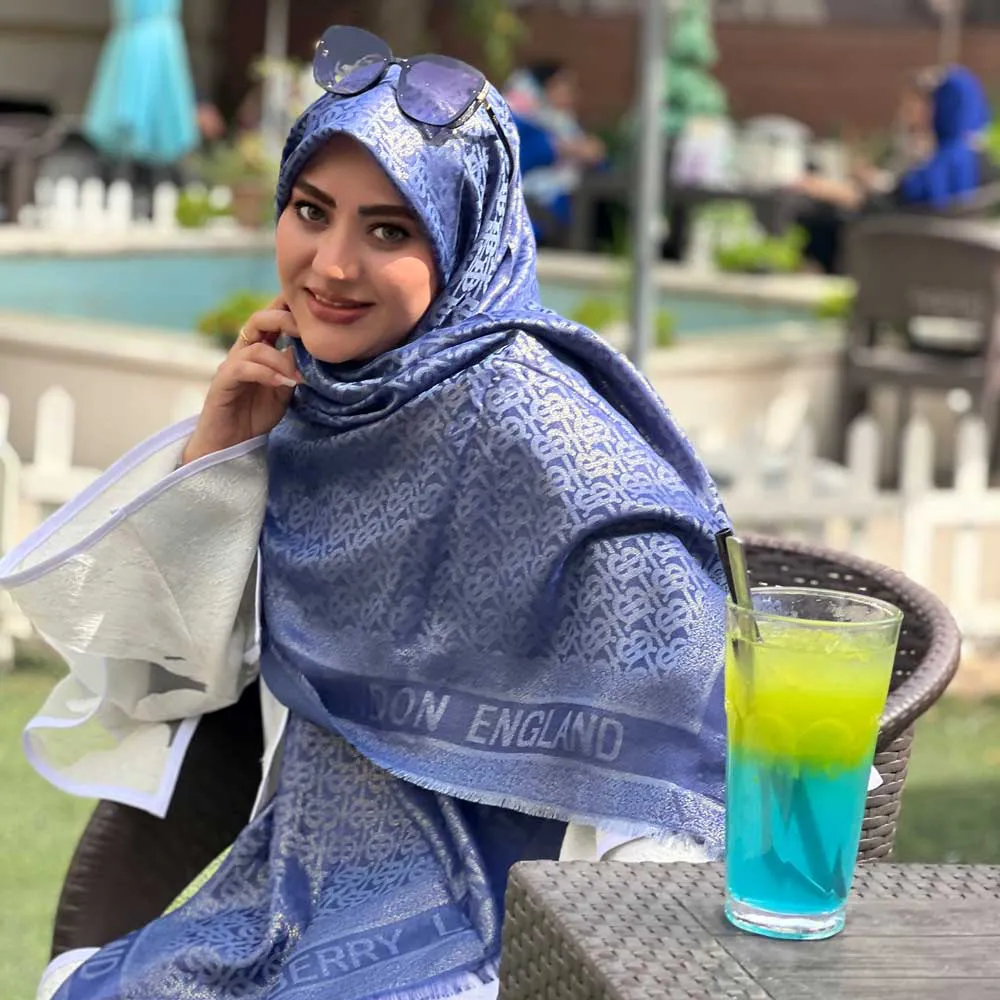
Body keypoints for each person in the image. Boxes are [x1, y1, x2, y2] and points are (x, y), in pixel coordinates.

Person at [4, 24, 729, 1000]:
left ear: (466, 238)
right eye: (311, 211)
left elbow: (672, 746)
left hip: (505, 935)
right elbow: (161, 681)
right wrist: (217, 460)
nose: (332, 265)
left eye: (389, 230)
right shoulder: (316, 409)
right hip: (281, 897)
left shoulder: (549, 436)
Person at [791, 65, 994, 274]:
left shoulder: (943, 164)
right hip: (946, 259)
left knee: (818, 220)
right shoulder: (980, 163)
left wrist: (838, 192)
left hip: (898, 249)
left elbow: (894, 205)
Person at [504, 62, 607, 244]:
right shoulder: (522, 119)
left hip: (569, 204)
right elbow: (522, 158)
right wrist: (563, 149)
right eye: (564, 86)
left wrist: (593, 155)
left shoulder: (565, 123)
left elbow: (599, 164)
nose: (572, 94)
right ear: (543, 88)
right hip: (530, 207)